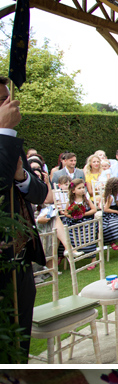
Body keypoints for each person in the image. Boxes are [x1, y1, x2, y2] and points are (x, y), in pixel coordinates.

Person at [0, 79, 48, 356]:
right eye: (2, 100)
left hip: (20, 260)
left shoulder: (8, 142)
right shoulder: (5, 138)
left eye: (9, 98)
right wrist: (5, 131)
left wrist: (21, 177)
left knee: (20, 342)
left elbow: (40, 193)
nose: (10, 105)